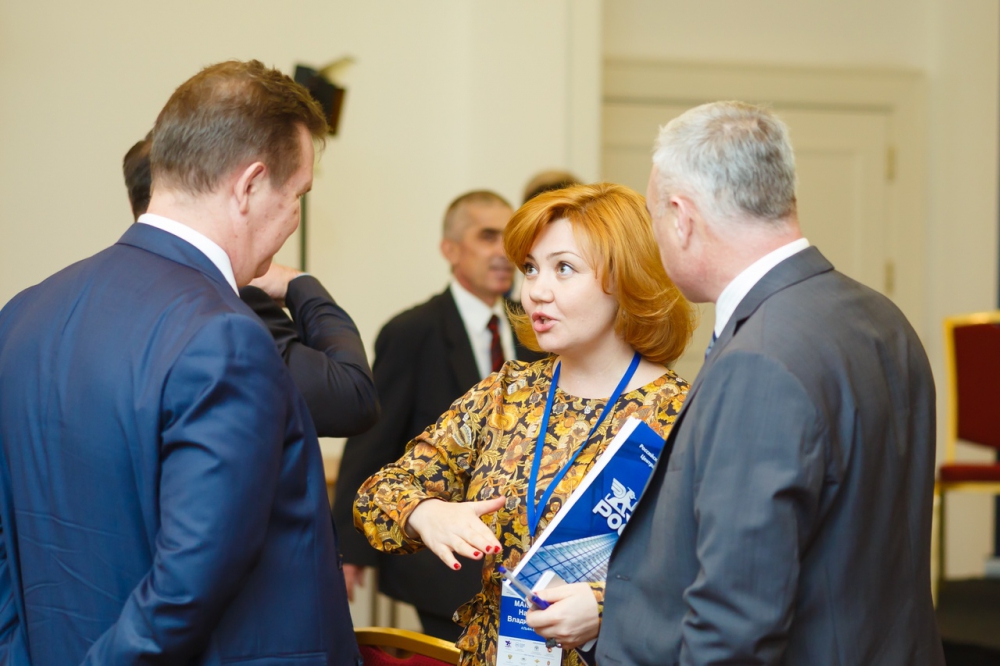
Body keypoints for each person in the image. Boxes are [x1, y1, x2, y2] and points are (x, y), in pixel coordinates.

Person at [0, 60, 360, 665]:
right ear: (250, 185)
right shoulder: (225, 336)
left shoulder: (24, 313)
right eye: (298, 195)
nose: (295, 217)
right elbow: (188, 584)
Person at [598, 101, 944, 665]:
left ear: (681, 217)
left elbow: (735, 622)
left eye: (654, 216)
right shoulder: (881, 316)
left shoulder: (758, 361)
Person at [354, 183, 694, 665]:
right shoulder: (507, 392)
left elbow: (717, 573)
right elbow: (376, 494)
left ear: (626, 278)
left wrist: (608, 606)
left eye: (564, 268)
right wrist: (426, 513)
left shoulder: (679, 414)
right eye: (531, 268)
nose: (535, 290)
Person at [332, 190, 544, 641]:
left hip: (520, 562)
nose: (502, 252)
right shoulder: (413, 332)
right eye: (487, 236)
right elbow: (372, 442)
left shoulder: (536, 331)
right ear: (450, 249)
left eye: (509, 238)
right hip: (440, 561)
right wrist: (349, 552)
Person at [123, 137, 378, 437]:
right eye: (297, 194)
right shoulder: (235, 305)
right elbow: (353, 397)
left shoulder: (105, 290)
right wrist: (298, 284)